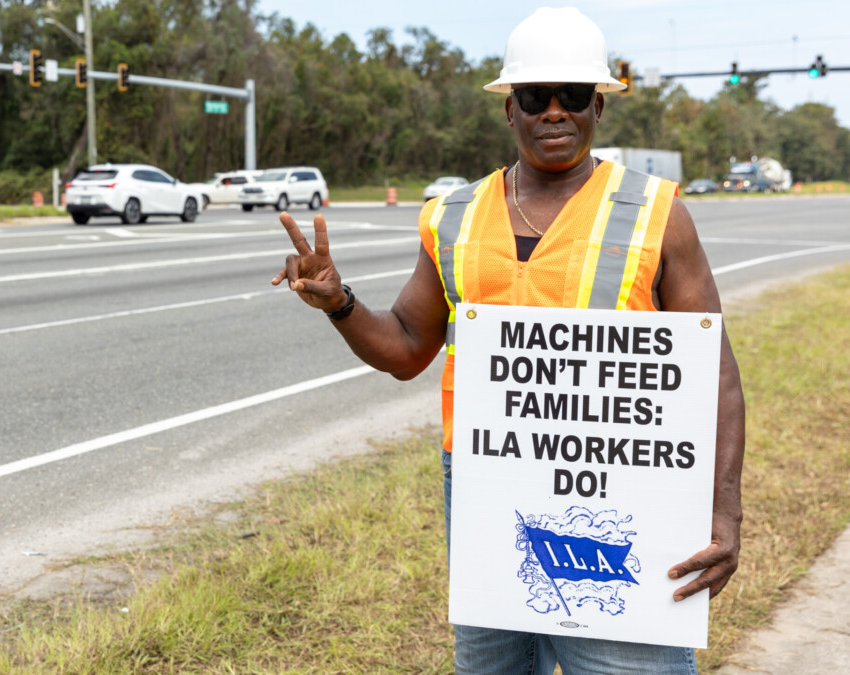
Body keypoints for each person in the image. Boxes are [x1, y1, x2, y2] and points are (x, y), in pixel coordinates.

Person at [271, 7, 745, 674]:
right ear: (509, 108)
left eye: (573, 96)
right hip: (486, 489)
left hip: (620, 490)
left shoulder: (658, 214)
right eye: (535, 97)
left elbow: (714, 375)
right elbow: (408, 346)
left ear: (599, 106)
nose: (555, 113)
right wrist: (341, 303)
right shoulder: (453, 217)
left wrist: (725, 511)